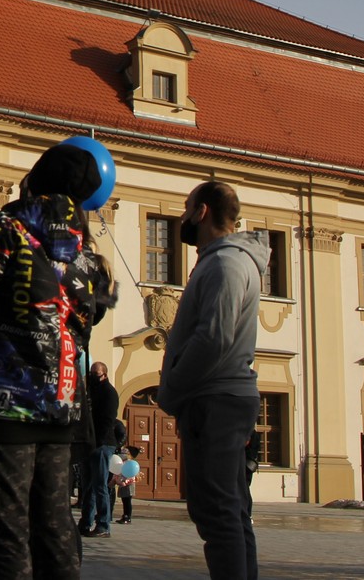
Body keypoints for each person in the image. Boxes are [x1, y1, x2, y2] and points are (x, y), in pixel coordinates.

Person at [0, 144, 114, 580]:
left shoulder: (1, 228)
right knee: (55, 529)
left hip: (3, 406)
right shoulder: (87, 253)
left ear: (33, 179)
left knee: (4, 533)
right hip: (60, 408)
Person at [157, 180, 269, 580]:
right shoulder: (221, 261)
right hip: (221, 396)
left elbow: (214, 338)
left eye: (188, 208)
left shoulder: (226, 263)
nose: (183, 217)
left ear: (202, 212)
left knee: (217, 512)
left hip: (215, 398)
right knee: (232, 510)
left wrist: (172, 388)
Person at [80, 362, 119, 538]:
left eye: (96, 373)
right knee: (87, 485)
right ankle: (85, 523)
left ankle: (103, 525)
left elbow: (107, 421)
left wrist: (96, 442)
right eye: (91, 373)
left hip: (102, 444)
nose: (93, 376)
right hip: (89, 443)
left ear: (104, 374)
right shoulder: (91, 391)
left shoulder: (109, 393)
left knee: (100, 485)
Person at [112, 445, 141, 524]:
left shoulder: (131, 463)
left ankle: (127, 516)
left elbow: (132, 475)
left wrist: (126, 482)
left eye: (126, 452)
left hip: (128, 485)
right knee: (124, 500)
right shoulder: (122, 462)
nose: (123, 454)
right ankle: (125, 515)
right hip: (122, 484)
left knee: (127, 501)